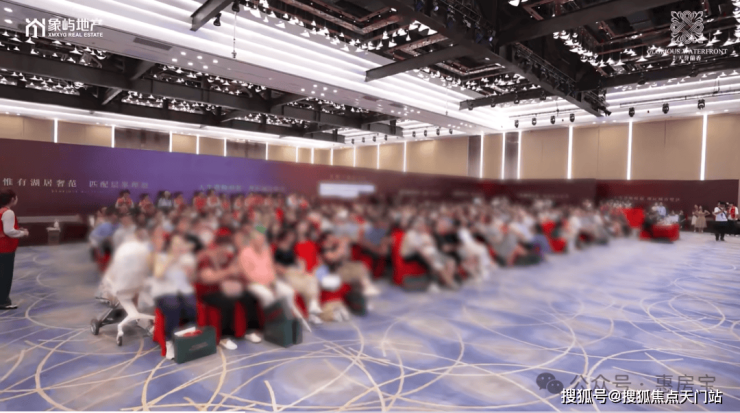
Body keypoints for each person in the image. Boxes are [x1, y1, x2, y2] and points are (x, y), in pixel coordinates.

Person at [198, 232, 262, 349]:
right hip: (209, 292)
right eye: (222, 247)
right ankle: (225, 337)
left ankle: (250, 330)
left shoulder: (227, 257)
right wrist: (228, 272)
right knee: (227, 302)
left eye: (226, 247)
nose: (225, 250)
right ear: (216, 246)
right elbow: (208, 279)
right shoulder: (206, 259)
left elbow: (235, 271)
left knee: (250, 296)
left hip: (226, 288)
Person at [238, 226, 309, 330]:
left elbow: (271, 269)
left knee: (288, 292)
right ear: (252, 240)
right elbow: (246, 275)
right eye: (260, 239)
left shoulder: (266, 251)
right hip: (253, 284)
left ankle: (290, 318)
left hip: (270, 282)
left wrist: (272, 282)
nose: (262, 241)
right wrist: (265, 284)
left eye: (263, 239)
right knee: (268, 296)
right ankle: (272, 324)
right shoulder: (244, 253)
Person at [151, 234, 198, 359]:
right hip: (163, 292)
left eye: (181, 244)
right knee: (173, 307)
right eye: (176, 244)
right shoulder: (161, 257)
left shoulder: (186, 259)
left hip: (181, 292)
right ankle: (169, 342)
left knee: (192, 306)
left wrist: (190, 272)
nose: (178, 247)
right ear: (170, 246)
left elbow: (191, 279)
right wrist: (171, 260)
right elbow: (158, 275)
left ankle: (188, 339)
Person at [0, 190, 29, 310]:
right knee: (5, 275)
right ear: (12, 199)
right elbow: (8, 231)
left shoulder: (1, 211)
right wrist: (23, 233)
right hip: (5, 249)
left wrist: (17, 230)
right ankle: (3, 301)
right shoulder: (8, 212)